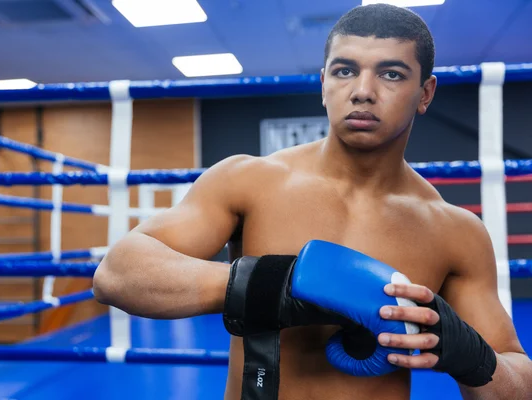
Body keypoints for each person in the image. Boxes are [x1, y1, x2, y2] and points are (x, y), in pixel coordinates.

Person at [93, 4, 532, 400]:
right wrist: (275, 287)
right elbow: (118, 273)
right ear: (323, 84)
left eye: (391, 74)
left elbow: (518, 381)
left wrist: (471, 356)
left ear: (426, 93)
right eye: (344, 71)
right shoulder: (249, 179)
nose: (362, 91)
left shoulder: (453, 230)